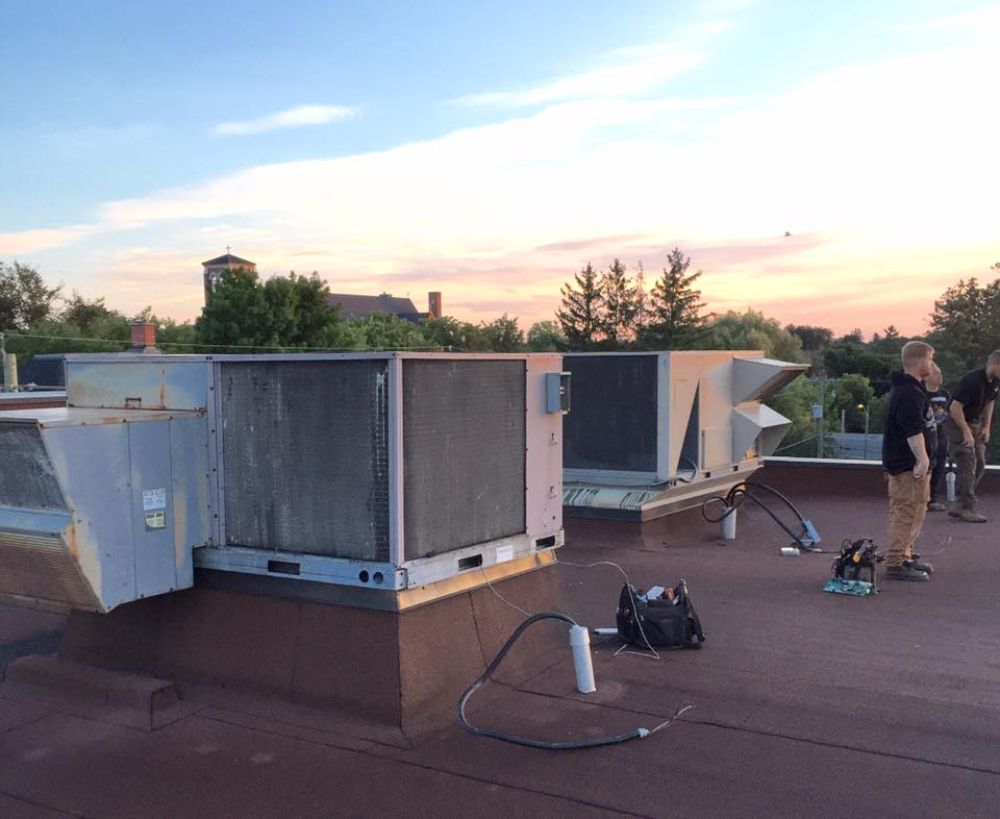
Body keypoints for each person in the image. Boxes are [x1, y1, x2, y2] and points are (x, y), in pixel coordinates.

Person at [881, 340, 935, 581]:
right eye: (930, 360)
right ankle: (895, 561)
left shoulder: (910, 389)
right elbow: (913, 430)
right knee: (907, 511)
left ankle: (904, 554)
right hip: (907, 466)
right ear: (921, 360)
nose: (932, 365)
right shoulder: (909, 393)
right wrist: (922, 461)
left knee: (913, 510)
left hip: (905, 465)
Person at [944, 351, 1000, 523]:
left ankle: (961, 501)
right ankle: (966, 507)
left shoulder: (995, 382)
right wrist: (966, 431)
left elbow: (990, 401)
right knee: (967, 459)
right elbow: (954, 408)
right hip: (957, 422)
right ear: (995, 364)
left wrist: (986, 426)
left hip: (975, 422)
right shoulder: (972, 381)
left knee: (980, 462)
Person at [924, 363, 951, 512]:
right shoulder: (922, 393)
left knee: (939, 466)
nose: (940, 376)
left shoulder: (945, 394)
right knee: (926, 467)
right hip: (926, 436)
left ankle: (932, 498)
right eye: (936, 373)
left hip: (941, 435)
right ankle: (922, 499)